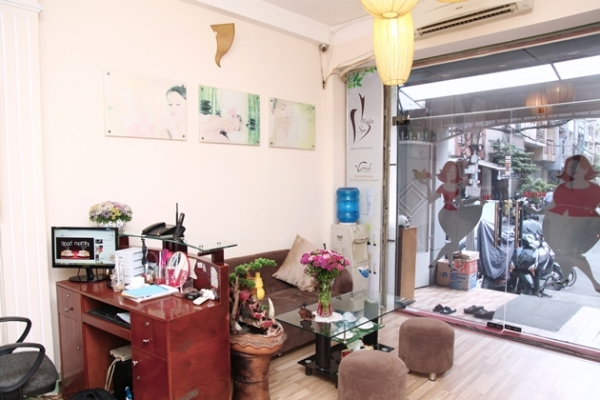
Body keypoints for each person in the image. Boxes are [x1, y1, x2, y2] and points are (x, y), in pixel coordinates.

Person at [528, 154, 600, 292]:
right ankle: (565, 277)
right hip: (558, 225)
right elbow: (552, 206)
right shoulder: (562, 188)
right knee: (562, 255)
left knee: (575, 255)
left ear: (586, 169)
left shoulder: (595, 190)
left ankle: (594, 282)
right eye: (572, 167)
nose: (575, 170)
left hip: (582, 227)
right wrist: (536, 211)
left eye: (579, 167)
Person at [416, 161, 486, 267]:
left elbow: (461, 204)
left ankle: (449, 263)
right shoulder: (442, 187)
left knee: (454, 242)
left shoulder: (456, 188)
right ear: (446, 172)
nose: (452, 173)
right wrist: (427, 185)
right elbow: (430, 200)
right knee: (454, 242)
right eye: (450, 171)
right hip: (445, 215)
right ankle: (437, 261)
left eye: (455, 171)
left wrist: (476, 200)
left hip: (454, 215)